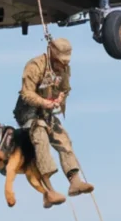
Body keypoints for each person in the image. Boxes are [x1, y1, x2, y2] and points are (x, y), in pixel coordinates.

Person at [13, 37, 93, 206]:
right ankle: (49, 190)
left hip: (47, 110)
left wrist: (60, 97)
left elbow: (65, 89)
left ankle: (74, 181)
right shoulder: (35, 66)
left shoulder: (63, 70)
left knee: (62, 138)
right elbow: (26, 94)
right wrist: (45, 102)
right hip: (28, 112)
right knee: (40, 136)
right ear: (51, 54)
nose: (62, 66)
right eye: (59, 62)